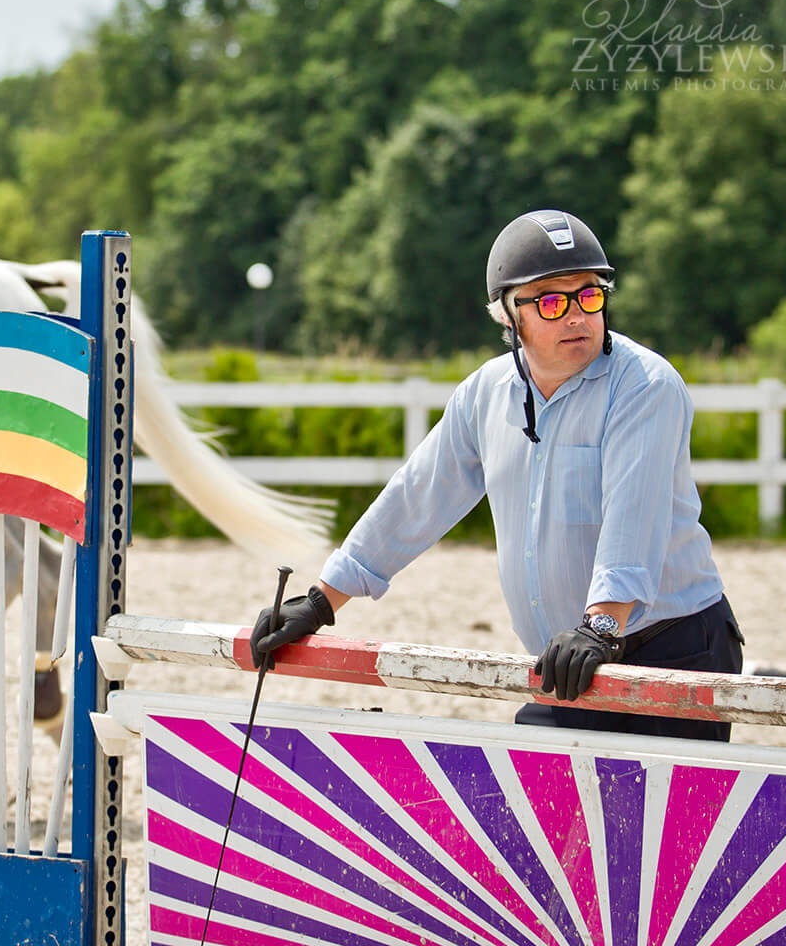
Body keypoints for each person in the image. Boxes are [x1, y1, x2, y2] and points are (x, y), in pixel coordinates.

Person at [252, 209, 744, 740]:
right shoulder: (484, 394)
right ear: (509, 316)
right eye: (553, 301)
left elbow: (633, 522)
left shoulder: (646, 387)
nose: (577, 316)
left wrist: (600, 626)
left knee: (663, 824)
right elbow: (416, 499)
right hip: (568, 657)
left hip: (673, 648)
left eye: (590, 295)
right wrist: (322, 600)